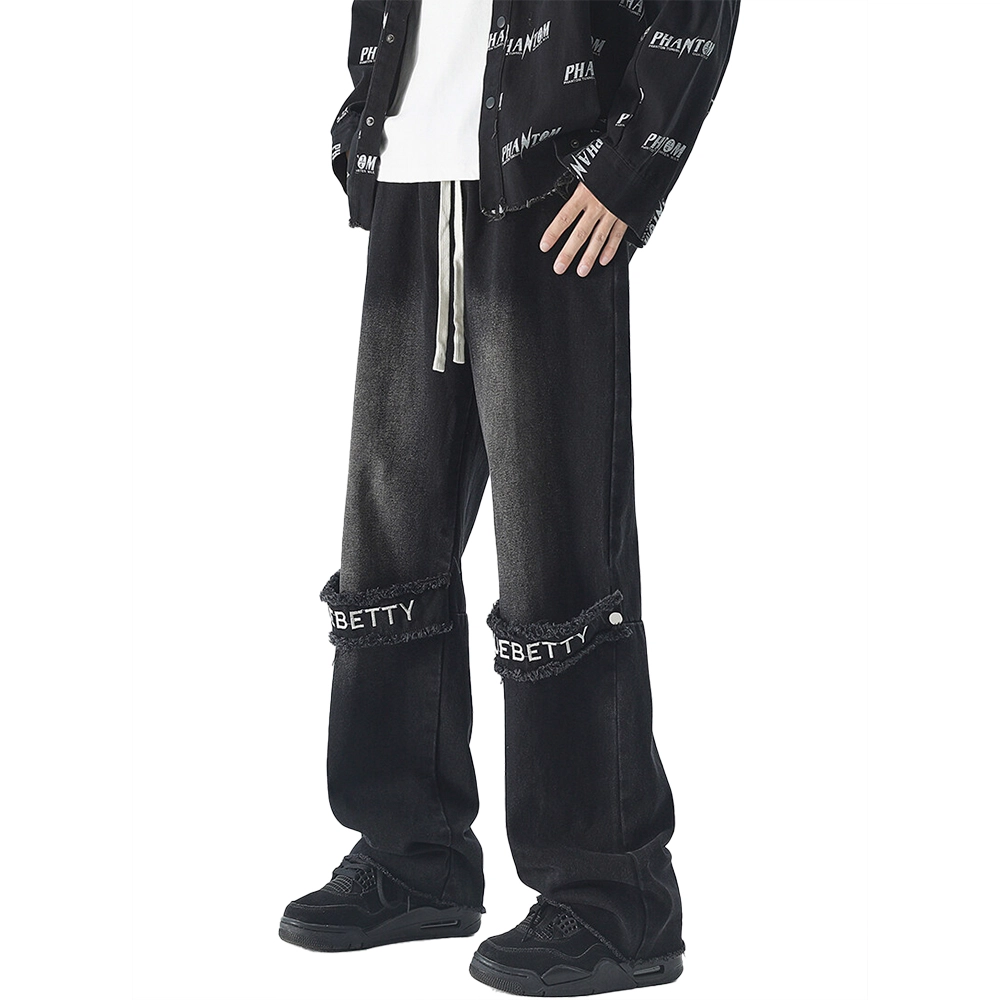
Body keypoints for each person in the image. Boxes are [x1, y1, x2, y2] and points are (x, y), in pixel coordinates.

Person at [279, 1, 740, 995]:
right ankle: (412, 853)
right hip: (414, 172)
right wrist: (364, 121)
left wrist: (628, 168)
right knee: (387, 535)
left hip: (547, 177)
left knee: (555, 543)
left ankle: (612, 895)